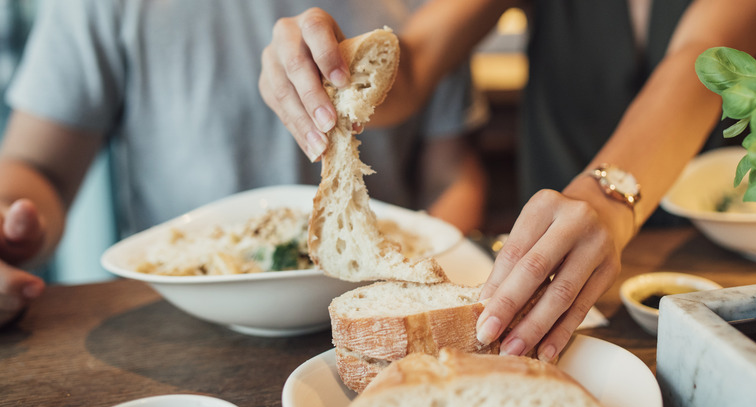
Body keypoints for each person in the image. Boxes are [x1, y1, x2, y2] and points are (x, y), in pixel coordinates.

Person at [258, 0, 756, 361]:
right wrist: (326, 66)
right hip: (548, 263)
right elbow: (414, 65)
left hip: (712, 257)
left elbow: (706, 57)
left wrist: (603, 199)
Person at [0, 0, 488, 323]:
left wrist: (428, 285)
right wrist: (12, 219)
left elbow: (450, 175)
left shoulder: (431, 10)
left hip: (377, 305)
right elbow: (36, 166)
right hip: (180, 319)